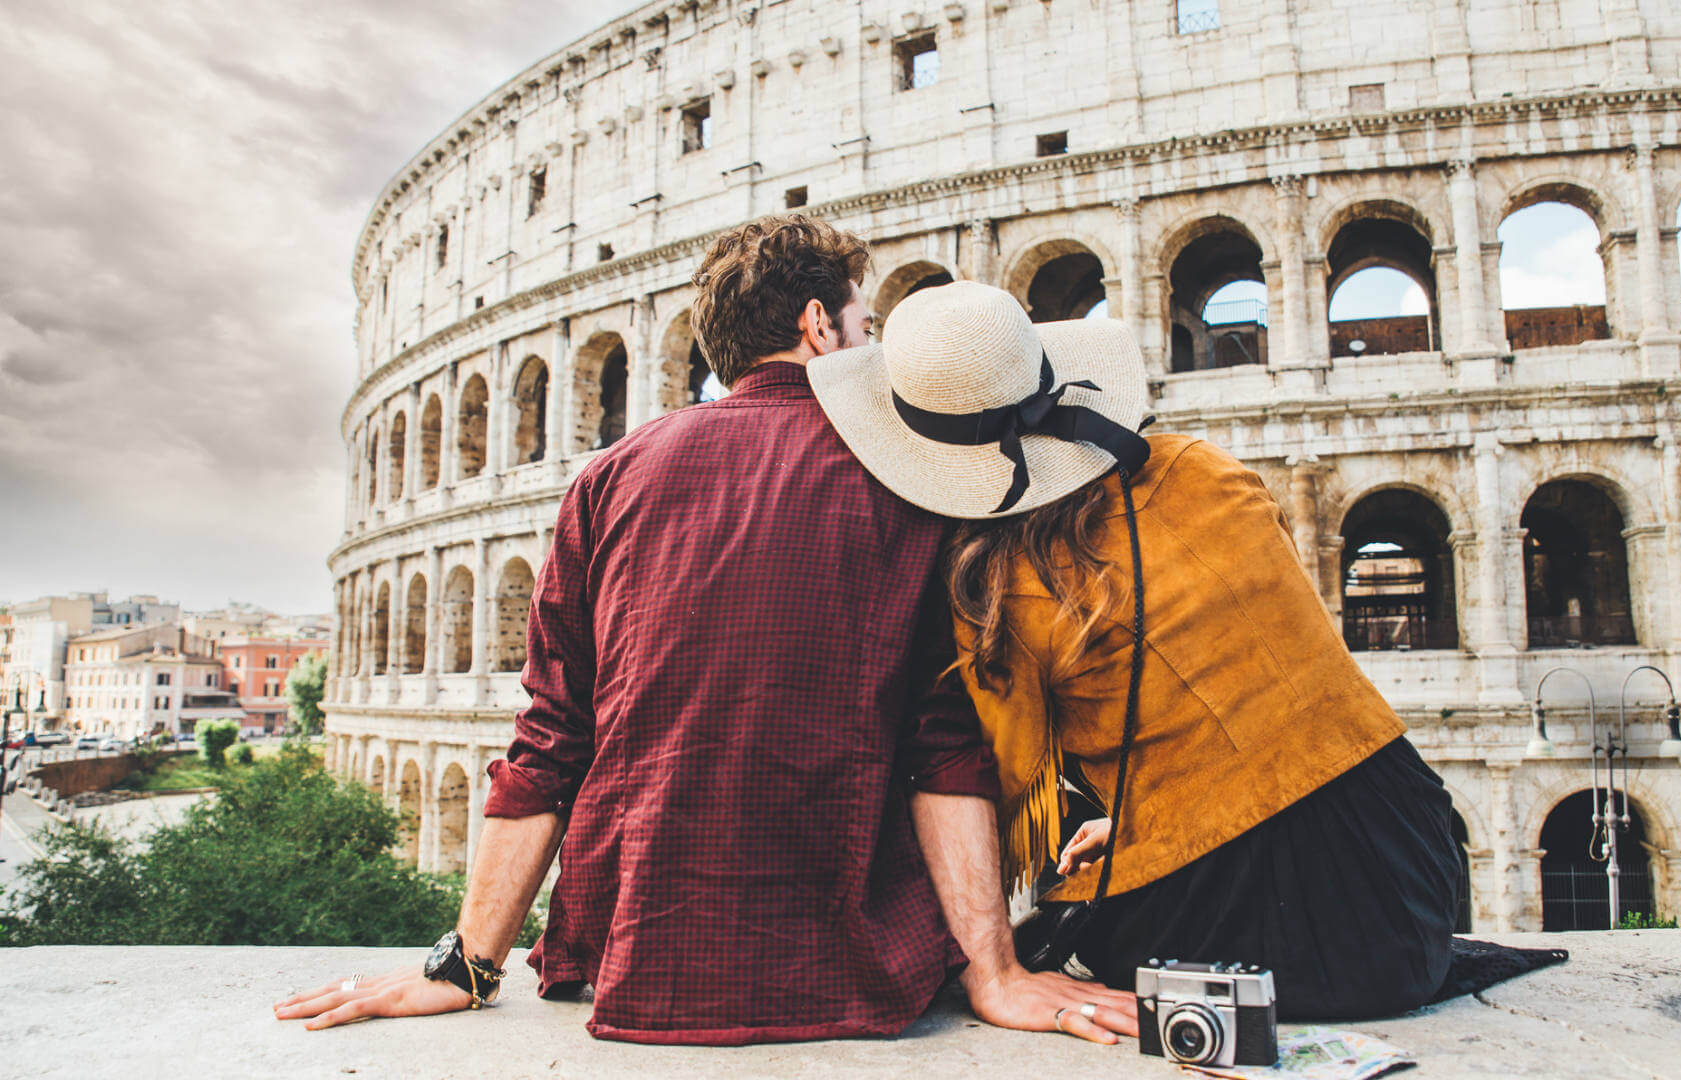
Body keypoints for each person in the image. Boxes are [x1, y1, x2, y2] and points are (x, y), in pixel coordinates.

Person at [273, 218, 1135, 1045]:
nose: (870, 346)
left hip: (634, 960)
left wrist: (468, 963)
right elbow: (939, 746)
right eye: (864, 326)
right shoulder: (910, 480)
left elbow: (549, 738)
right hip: (854, 964)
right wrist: (996, 973)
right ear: (819, 327)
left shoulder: (607, 479)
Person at [807, 281, 1461, 1019]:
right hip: (1407, 873)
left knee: (1067, 916)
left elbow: (1005, 774)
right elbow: (1254, 689)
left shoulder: (998, 582)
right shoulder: (1204, 467)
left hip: (1237, 927)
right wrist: (1152, 815)